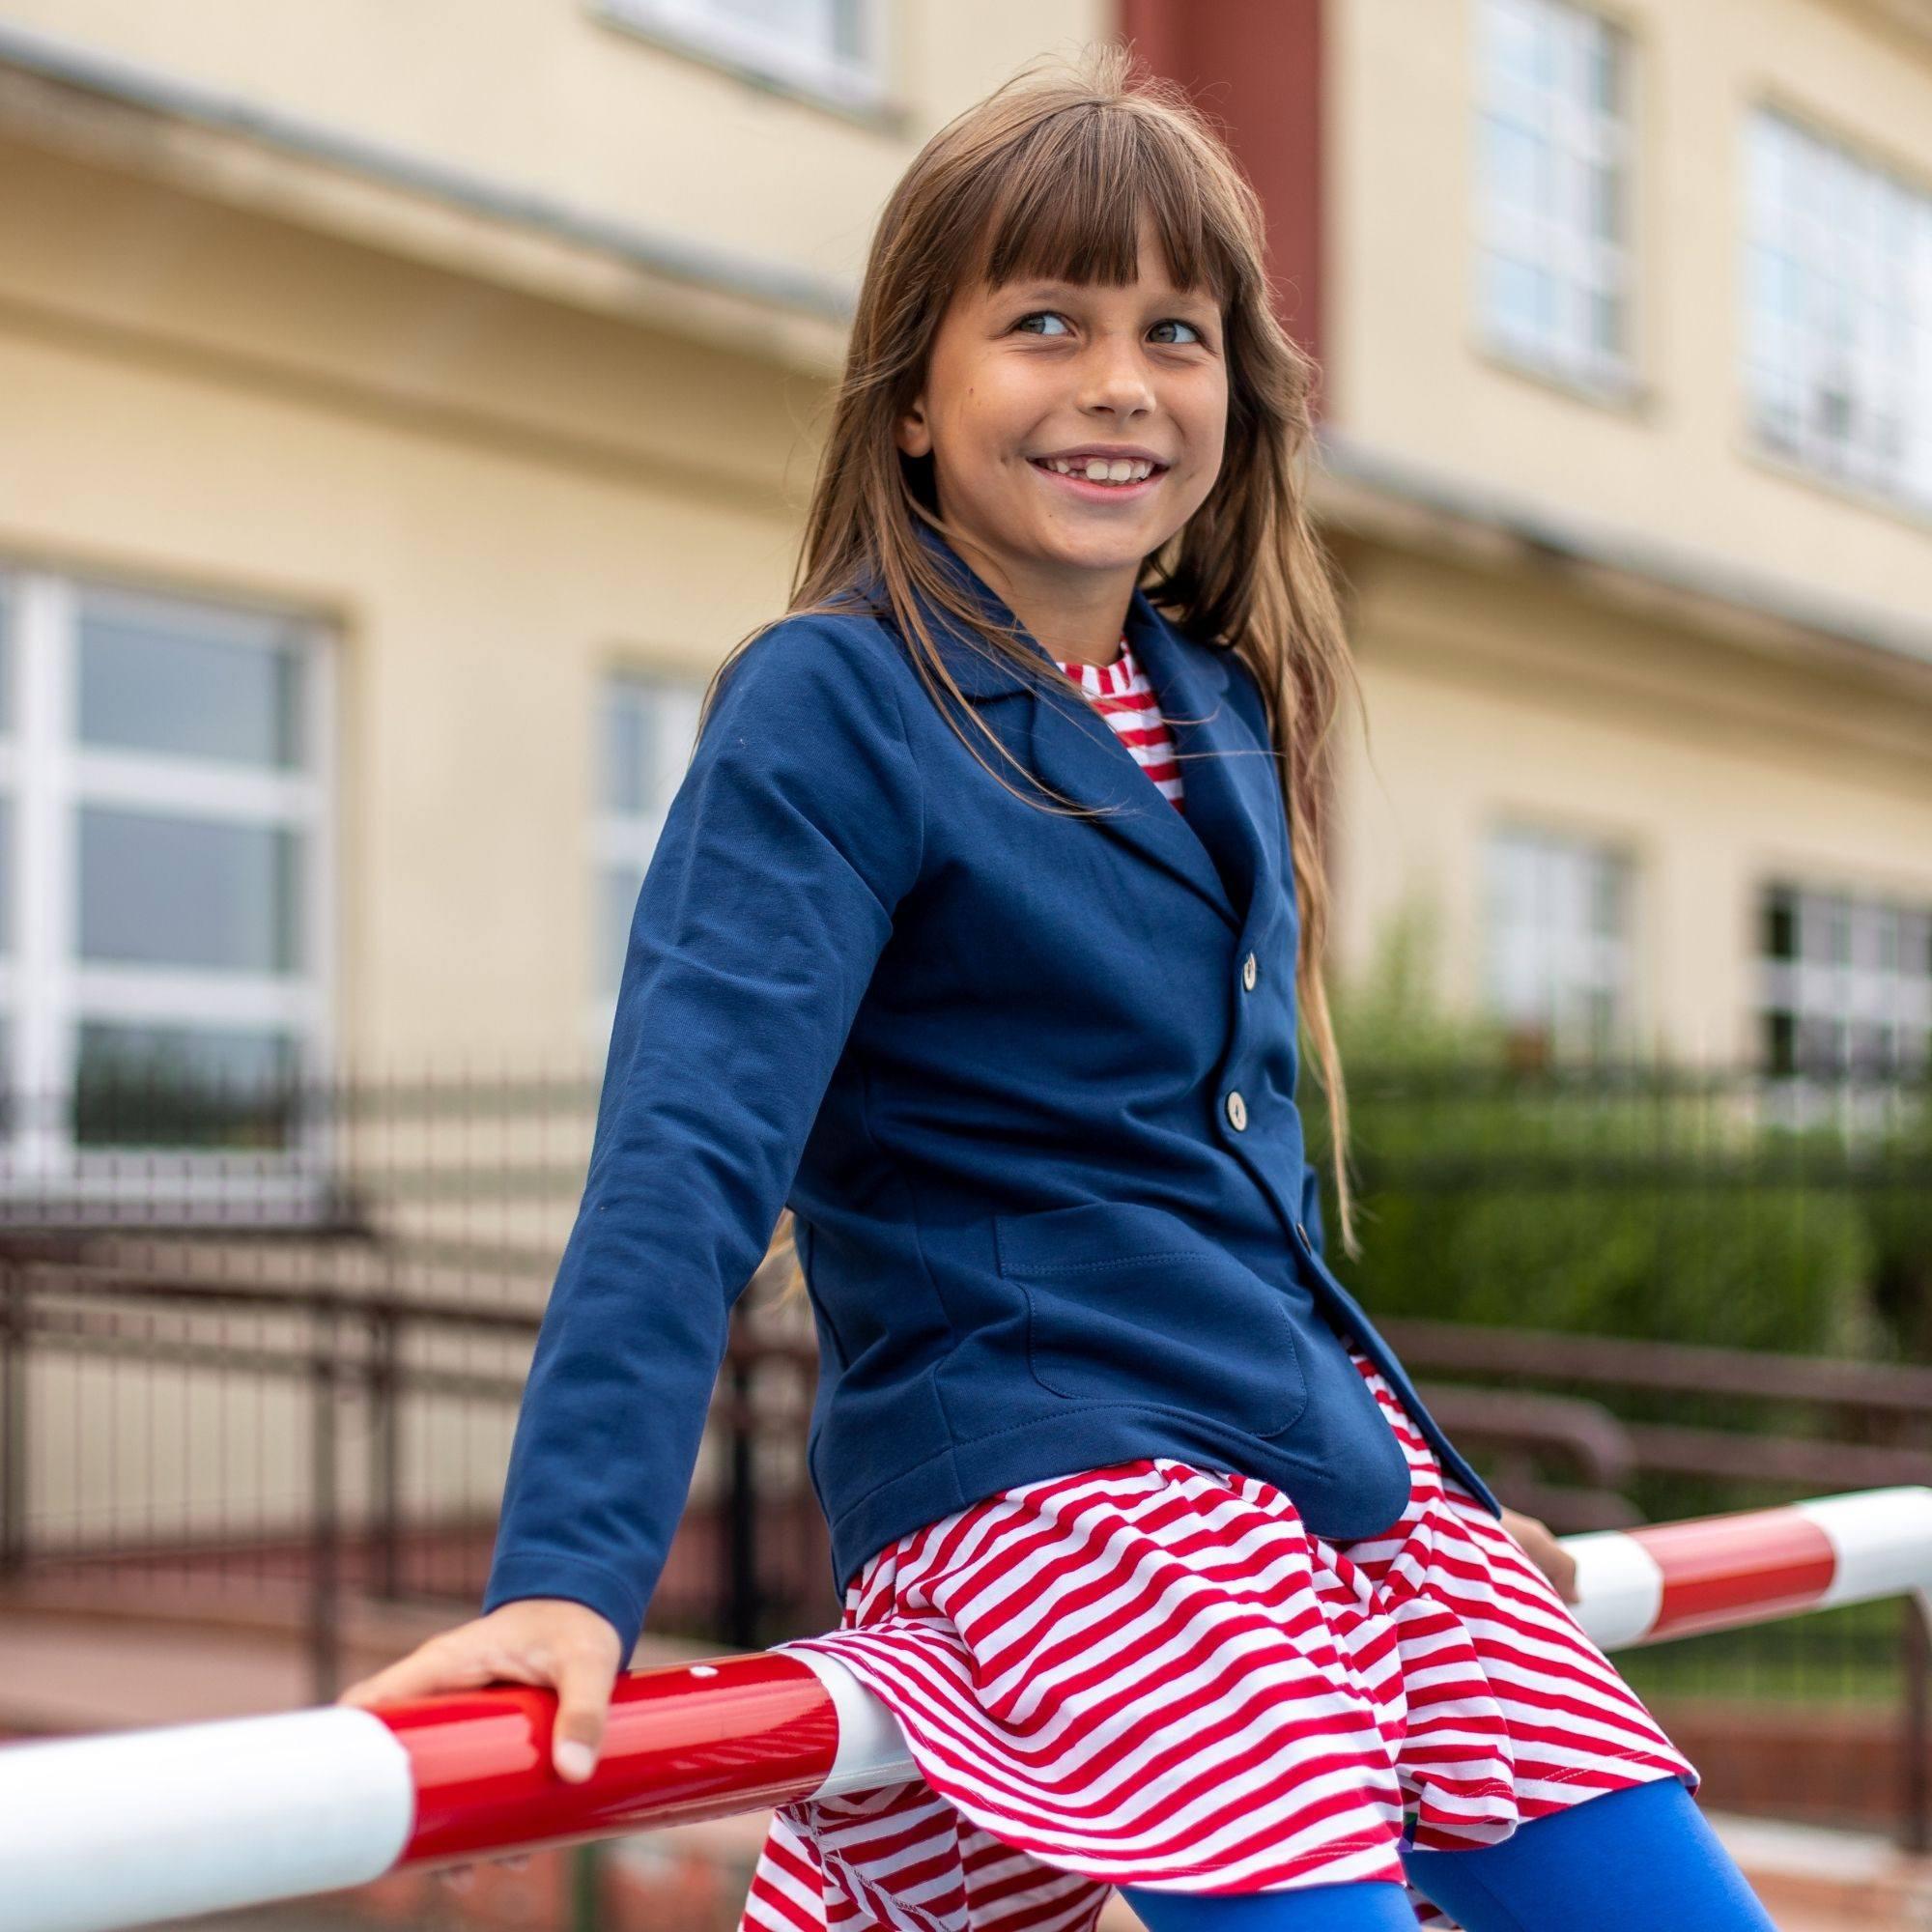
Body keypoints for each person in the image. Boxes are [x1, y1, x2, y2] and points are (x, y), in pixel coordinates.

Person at [338, 45, 1777, 1932]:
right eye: (1040, 320)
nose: (1116, 382)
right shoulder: (833, 700)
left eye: (1174, 330)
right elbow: (684, 1152)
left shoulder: (1218, 705)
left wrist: (1398, 1491)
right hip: (1057, 1475)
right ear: (915, 397)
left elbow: (1229, 1178)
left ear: (1234, 397)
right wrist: (568, 1575)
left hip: (1294, 1464)